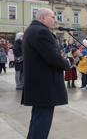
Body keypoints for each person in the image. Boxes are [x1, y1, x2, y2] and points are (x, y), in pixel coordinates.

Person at [21, 8, 70, 139]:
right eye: (53, 17)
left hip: (38, 86)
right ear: (42, 18)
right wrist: (67, 63)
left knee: (37, 120)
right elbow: (54, 58)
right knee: (42, 123)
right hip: (45, 87)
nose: (55, 20)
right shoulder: (42, 32)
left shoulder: (31, 31)